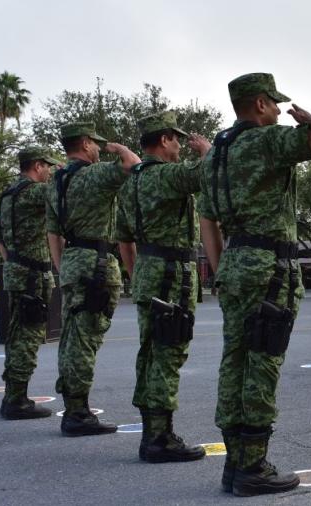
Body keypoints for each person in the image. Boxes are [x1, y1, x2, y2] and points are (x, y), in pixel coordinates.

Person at [198, 73, 311, 496]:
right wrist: (310, 120)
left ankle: (235, 464)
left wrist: (222, 269)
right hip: (269, 267)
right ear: (259, 104)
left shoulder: (215, 154)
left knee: (235, 359)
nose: (278, 110)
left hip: (235, 261)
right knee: (262, 361)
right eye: (274, 104)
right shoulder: (264, 140)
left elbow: (207, 221)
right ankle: (253, 467)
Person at [116, 111, 211, 463]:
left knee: (151, 352)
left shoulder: (132, 184)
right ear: (164, 140)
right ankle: (159, 438)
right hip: (172, 271)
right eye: (176, 139)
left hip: (148, 271)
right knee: (168, 352)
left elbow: (125, 241)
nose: (180, 145)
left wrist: (138, 274)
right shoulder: (165, 175)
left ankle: (153, 432)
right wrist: (206, 150)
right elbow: (207, 175)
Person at [46, 122, 141, 436]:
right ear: (85, 144)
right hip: (96, 263)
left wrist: (63, 268)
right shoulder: (92, 175)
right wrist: (121, 149)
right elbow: (133, 166)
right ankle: (78, 413)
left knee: (71, 338)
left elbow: (52, 232)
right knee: (85, 340)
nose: (100, 149)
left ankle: (73, 407)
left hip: (73, 261)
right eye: (97, 144)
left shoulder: (56, 181)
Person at [0, 146, 61, 419]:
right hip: (32, 274)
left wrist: (14, 261)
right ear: (36, 165)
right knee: (28, 336)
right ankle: (16, 400)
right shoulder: (34, 192)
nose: (49, 171)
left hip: (15, 270)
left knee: (16, 334)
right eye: (47, 166)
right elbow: (62, 193)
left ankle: (14, 394)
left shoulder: (7, 195)